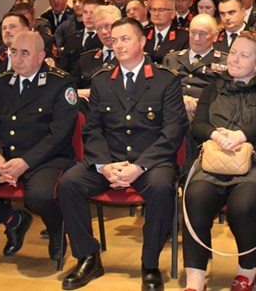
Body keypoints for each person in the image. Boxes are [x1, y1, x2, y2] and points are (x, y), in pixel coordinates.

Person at [58, 18, 187, 291]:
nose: (118, 45)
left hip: (150, 163)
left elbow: (173, 130)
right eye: (114, 40)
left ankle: (149, 264)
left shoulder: (166, 80)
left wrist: (139, 167)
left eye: (125, 39)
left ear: (142, 42)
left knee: (162, 188)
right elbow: (92, 129)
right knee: (69, 183)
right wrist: (104, 165)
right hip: (110, 160)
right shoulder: (102, 80)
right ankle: (88, 257)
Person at [0, 30, 78, 261]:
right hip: (5, 156)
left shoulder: (60, 83)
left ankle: (57, 228)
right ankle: (13, 220)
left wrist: (25, 162)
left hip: (45, 158)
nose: (17, 59)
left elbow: (59, 135)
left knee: (39, 196)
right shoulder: (1, 82)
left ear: (41, 56)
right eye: (14, 52)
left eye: (25, 53)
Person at [182, 31, 256, 291]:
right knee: (194, 198)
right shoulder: (213, 87)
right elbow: (198, 125)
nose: (235, 59)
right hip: (214, 161)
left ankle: (247, 272)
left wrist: (242, 135)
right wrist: (215, 135)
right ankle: (195, 279)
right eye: (233, 53)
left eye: (244, 55)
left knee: (244, 205)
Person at [162, 14, 227, 120]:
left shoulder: (225, 62)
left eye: (202, 34)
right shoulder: (171, 58)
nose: (196, 39)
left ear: (215, 36)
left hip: (206, 114)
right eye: (193, 32)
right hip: (173, 109)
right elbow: (161, 90)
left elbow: (226, 97)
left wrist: (201, 103)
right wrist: (180, 99)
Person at [144, 0, 189, 64]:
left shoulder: (184, 37)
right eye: (153, 9)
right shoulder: (143, 33)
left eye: (161, 10)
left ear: (172, 14)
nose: (156, 14)